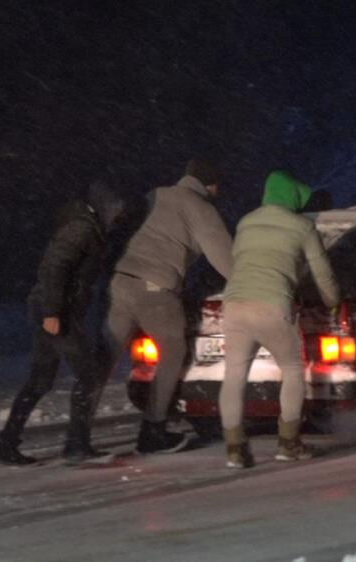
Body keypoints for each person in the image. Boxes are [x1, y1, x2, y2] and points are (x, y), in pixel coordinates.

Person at [0, 181, 125, 466]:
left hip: (53, 309)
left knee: (40, 380)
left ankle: (5, 444)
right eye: (115, 210)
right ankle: (76, 446)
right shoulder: (82, 228)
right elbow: (55, 266)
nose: (117, 217)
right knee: (89, 375)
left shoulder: (87, 227)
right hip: (56, 312)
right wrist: (52, 312)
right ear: (104, 208)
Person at [105, 157, 233, 454]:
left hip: (121, 281)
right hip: (156, 289)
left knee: (107, 355)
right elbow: (226, 261)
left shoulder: (155, 195)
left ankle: (78, 436)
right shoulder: (201, 209)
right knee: (173, 349)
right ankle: (153, 429)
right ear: (210, 184)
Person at [218, 171, 340, 468]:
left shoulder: (246, 222)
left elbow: (240, 261)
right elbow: (321, 271)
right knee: (292, 368)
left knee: (234, 376)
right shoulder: (302, 226)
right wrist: (333, 301)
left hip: (234, 304)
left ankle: (235, 447)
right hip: (272, 306)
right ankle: (289, 443)